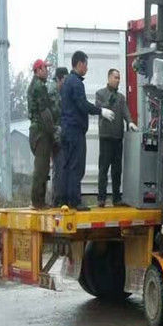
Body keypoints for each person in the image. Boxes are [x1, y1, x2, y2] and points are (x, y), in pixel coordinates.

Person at [58, 51, 115, 211]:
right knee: (76, 166)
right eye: (86, 65)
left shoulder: (66, 82)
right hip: (75, 131)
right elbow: (82, 105)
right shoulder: (76, 83)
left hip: (66, 129)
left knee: (66, 166)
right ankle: (75, 201)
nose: (87, 68)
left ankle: (64, 200)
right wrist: (101, 111)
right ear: (80, 64)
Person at [95, 68, 138, 207]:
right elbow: (99, 107)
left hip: (118, 137)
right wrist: (109, 101)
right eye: (115, 77)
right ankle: (101, 198)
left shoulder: (121, 97)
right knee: (103, 168)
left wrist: (130, 122)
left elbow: (125, 111)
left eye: (119, 78)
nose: (118, 80)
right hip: (106, 136)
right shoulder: (100, 93)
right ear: (109, 78)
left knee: (117, 170)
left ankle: (116, 198)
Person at [27, 59, 55, 209]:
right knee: (41, 167)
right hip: (41, 131)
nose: (47, 71)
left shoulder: (36, 85)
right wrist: (53, 131)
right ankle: (37, 202)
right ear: (38, 70)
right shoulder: (39, 87)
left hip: (37, 130)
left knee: (43, 167)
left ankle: (39, 201)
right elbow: (45, 112)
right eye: (44, 68)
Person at [48, 67, 68, 206]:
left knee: (61, 167)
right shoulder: (53, 92)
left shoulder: (58, 91)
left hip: (58, 135)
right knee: (59, 167)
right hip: (55, 136)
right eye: (65, 79)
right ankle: (57, 199)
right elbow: (53, 116)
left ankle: (59, 198)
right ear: (60, 78)